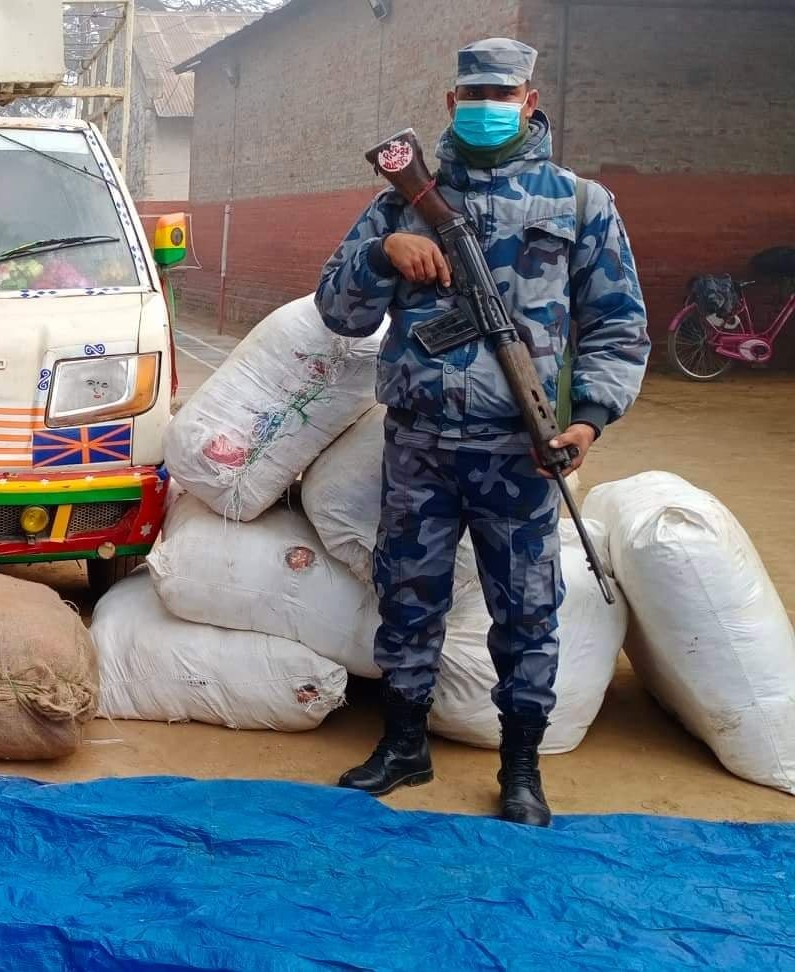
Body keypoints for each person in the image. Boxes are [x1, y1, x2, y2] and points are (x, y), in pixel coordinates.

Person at [315, 39, 649, 826]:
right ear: (450, 102)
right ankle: (404, 745)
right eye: (475, 92)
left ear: (531, 100)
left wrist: (587, 422)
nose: (488, 104)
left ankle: (523, 767)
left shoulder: (579, 203)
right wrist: (381, 254)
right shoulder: (405, 199)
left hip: (519, 449)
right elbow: (337, 308)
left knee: (527, 609)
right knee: (407, 594)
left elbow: (618, 326)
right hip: (422, 443)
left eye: (504, 91)